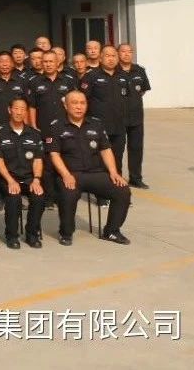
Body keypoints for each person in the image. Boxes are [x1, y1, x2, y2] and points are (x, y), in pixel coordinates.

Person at [47, 90, 132, 246]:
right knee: (68, 195)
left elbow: (106, 150)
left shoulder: (96, 124)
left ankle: (112, 231)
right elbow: (54, 154)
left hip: (95, 173)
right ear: (65, 106)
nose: (79, 107)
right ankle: (66, 232)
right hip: (70, 174)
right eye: (74, 103)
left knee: (122, 191)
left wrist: (114, 172)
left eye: (82, 103)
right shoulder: (56, 126)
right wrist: (65, 175)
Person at [0, 98, 46, 249]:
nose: (19, 112)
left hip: (29, 178)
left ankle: (32, 234)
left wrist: (36, 179)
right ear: (10, 110)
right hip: (6, 178)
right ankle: (12, 235)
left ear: (26, 112)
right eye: (16, 108)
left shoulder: (34, 134)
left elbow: (38, 160)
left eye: (22, 109)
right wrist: (10, 180)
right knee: (14, 198)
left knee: (39, 197)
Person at [80, 46, 128, 174]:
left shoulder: (123, 76)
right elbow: (83, 99)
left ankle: (117, 180)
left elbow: (127, 97)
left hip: (119, 126)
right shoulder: (91, 76)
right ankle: (101, 182)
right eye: (107, 56)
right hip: (98, 126)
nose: (111, 59)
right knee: (98, 158)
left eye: (113, 56)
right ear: (100, 58)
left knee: (117, 157)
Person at [117, 44, 150, 188]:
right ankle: (116, 177)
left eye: (129, 52)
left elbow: (143, 90)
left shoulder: (139, 70)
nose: (126, 54)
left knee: (136, 148)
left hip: (136, 117)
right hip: (118, 117)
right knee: (117, 149)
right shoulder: (114, 71)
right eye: (123, 51)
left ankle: (135, 178)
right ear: (118, 53)